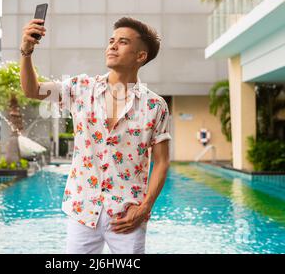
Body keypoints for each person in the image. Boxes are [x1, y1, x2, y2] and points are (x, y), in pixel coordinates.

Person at [20, 16, 171, 254]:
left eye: (122, 42)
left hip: (127, 215)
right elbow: (32, 90)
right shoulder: (80, 88)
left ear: (141, 56)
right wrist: (26, 52)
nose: (112, 45)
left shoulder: (155, 105)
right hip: (83, 210)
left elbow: (162, 162)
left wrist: (144, 209)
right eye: (111, 40)